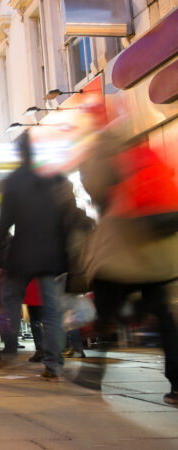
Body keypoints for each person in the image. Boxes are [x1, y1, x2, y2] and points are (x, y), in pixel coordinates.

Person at [75, 125, 178, 405]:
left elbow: (96, 190)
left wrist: (90, 161)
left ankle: (93, 374)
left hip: (122, 251)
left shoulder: (105, 158)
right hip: (160, 255)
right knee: (165, 317)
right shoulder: (145, 156)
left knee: (106, 314)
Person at [0, 131, 77, 381]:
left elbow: (2, 223)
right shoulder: (55, 177)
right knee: (52, 311)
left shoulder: (14, 180)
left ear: (20, 153)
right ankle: (53, 365)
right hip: (52, 255)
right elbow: (69, 216)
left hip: (23, 255)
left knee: (10, 303)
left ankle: (7, 351)